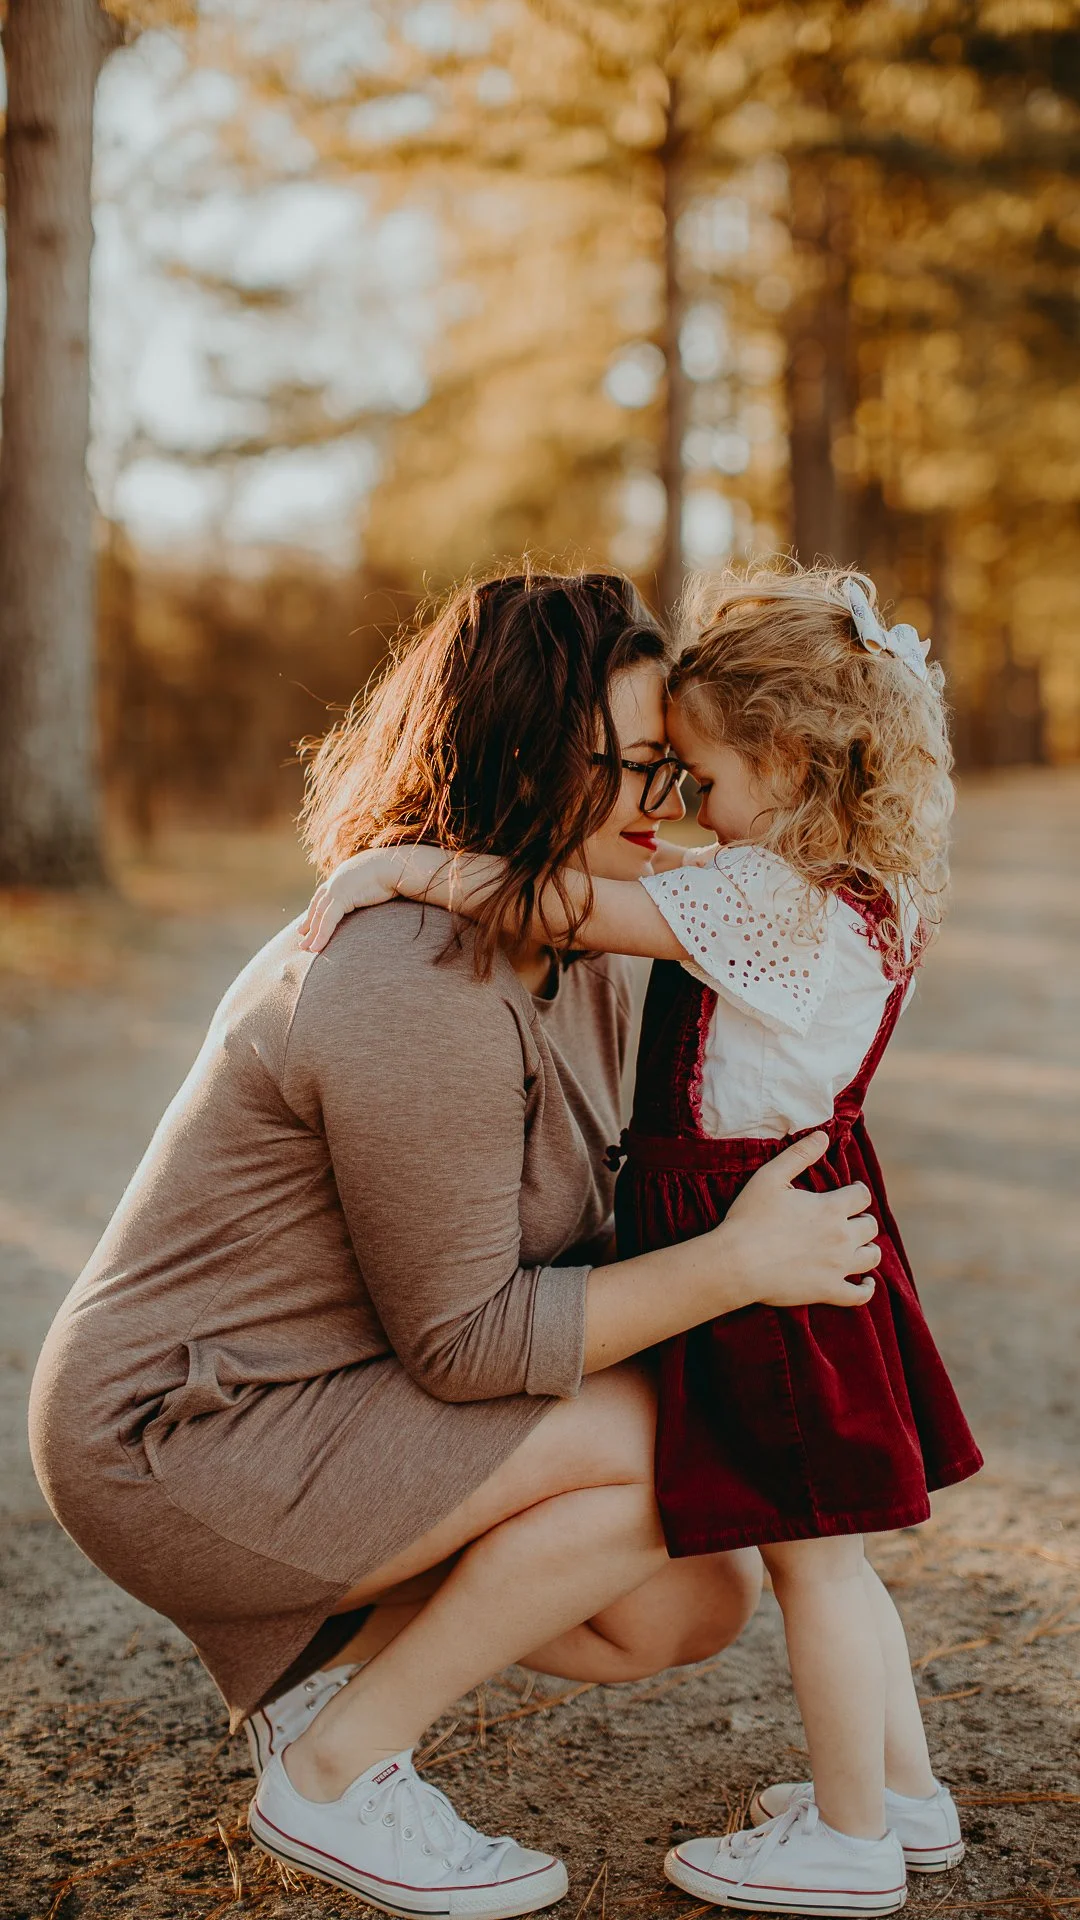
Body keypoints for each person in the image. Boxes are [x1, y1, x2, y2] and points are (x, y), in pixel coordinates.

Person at [29, 568, 883, 1920]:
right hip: (189, 1433)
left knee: (689, 1604)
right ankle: (333, 1768)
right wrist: (734, 1269)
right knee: (660, 1447)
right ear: (528, 756)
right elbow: (471, 1339)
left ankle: (315, 1673)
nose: (669, 807)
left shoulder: (585, 943)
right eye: (640, 768)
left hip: (347, 1388)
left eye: (678, 768)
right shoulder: (404, 983)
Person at [302, 562, 983, 1918]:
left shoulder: (766, 908)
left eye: (702, 778)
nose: (678, 806)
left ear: (787, 768)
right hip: (802, 1206)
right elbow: (683, 878)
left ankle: (850, 1841)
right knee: (827, 1551)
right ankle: (903, 1798)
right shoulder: (843, 888)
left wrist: (395, 866)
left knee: (818, 1561)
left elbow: (558, 903)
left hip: (750, 1227)